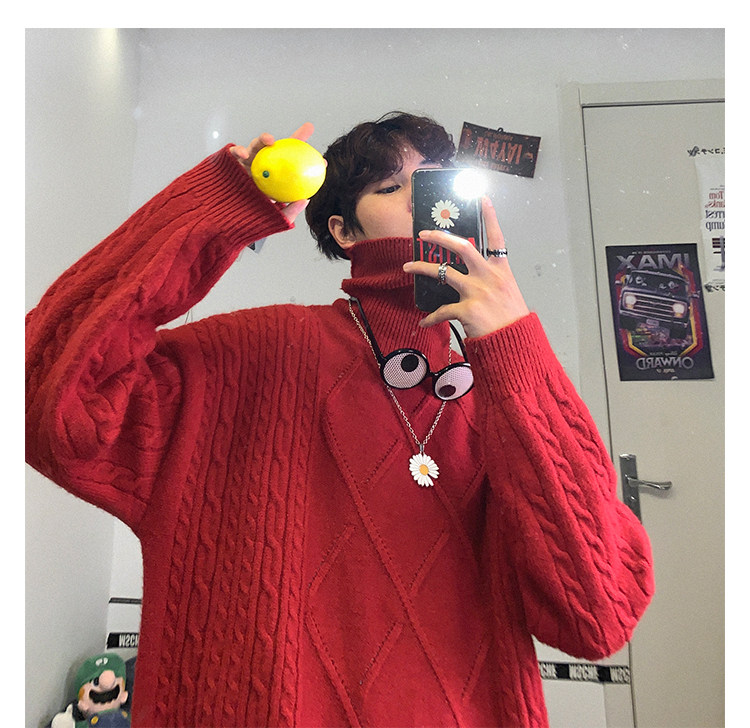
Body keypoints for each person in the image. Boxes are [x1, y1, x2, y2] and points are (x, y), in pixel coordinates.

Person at [26, 111, 654, 727]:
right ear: (344, 231)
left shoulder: (509, 392)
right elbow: (44, 397)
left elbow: (599, 616)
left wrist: (514, 341)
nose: (427, 200)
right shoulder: (256, 354)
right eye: (393, 186)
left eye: (439, 180)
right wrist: (210, 214)